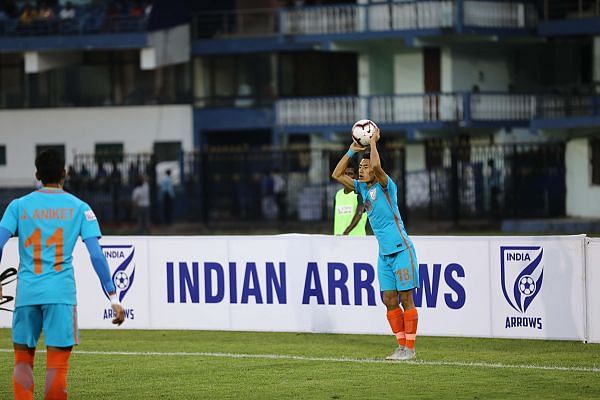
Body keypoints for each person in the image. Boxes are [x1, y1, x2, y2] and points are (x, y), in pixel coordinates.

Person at [0, 149, 125, 400]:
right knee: (57, 368)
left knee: (22, 363)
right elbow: (97, 255)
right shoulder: (80, 208)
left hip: (27, 294)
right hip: (61, 294)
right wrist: (113, 297)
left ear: (37, 175)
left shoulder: (18, 206)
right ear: (65, 174)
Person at [331, 127, 420, 361]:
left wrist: (373, 143)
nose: (362, 170)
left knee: (406, 299)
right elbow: (337, 175)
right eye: (360, 168)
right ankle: (400, 346)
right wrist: (351, 151)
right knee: (388, 299)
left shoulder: (386, 185)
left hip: (401, 249)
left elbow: (378, 167)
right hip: (384, 255)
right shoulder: (361, 189)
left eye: (365, 167)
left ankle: (410, 348)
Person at [333, 163, 367, 236]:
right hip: (338, 239)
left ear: (356, 176)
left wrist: (346, 232)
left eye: (350, 174)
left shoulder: (361, 193)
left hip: (356, 240)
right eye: (345, 174)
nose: (347, 177)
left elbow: (359, 214)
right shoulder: (338, 195)